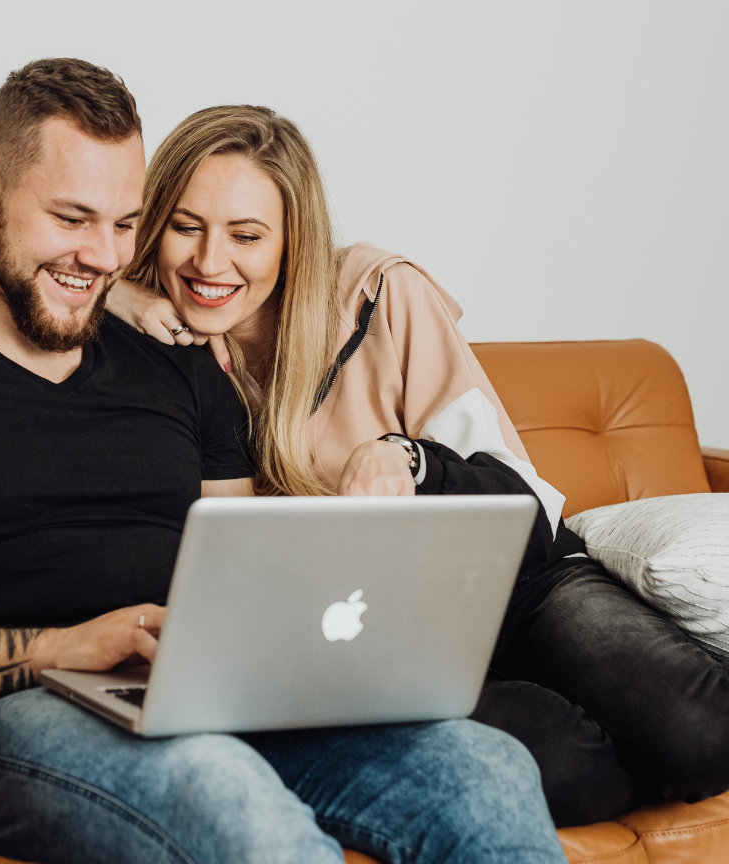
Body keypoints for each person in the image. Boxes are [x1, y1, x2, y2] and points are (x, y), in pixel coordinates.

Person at [0, 59, 567, 864]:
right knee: (222, 793)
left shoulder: (177, 362)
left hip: (198, 690)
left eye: (124, 225)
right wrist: (52, 647)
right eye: (72, 218)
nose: (102, 255)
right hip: (12, 711)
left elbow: (246, 567)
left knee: (484, 769)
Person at [108, 103, 729, 827]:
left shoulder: (381, 295)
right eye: (186, 227)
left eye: (246, 235)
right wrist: (115, 293)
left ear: (291, 240)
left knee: (703, 734)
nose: (211, 263)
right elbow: (31, 286)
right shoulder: (154, 353)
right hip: (378, 640)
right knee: (559, 768)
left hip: (519, 585)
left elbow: (523, 498)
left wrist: (410, 458)